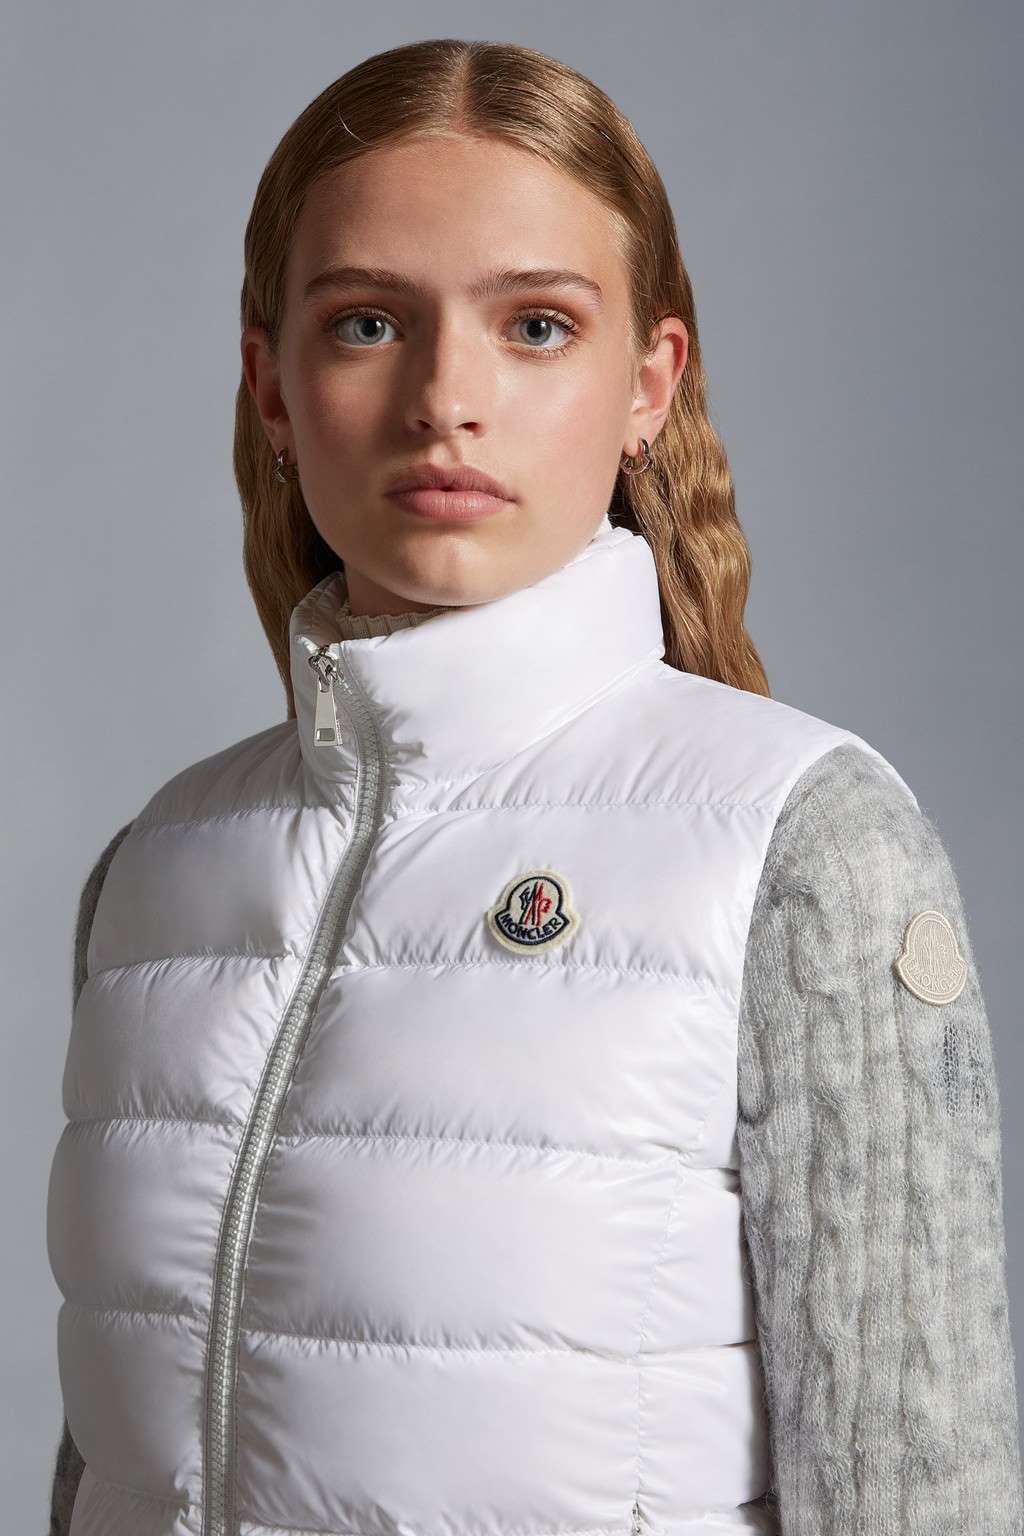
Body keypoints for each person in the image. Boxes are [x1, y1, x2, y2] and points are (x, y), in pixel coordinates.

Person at [46, 36, 1023, 1536]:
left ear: (650, 382)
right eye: (368, 322)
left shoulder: (805, 847)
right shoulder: (157, 872)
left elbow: (922, 1490)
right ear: (270, 385)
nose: (447, 397)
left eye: (537, 327)